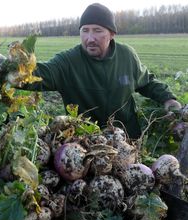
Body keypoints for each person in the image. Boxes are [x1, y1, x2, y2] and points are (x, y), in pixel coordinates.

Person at [14, 3, 182, 139]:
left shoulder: (126, 56)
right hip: (84, 142)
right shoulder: (68, 61)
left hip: (127, 140)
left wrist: (168, 99)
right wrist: (5, 70)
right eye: (85, 31)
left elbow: (147, 82)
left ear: (111, 34)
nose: (90, 38)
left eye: (97, 30)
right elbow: (38, 74)